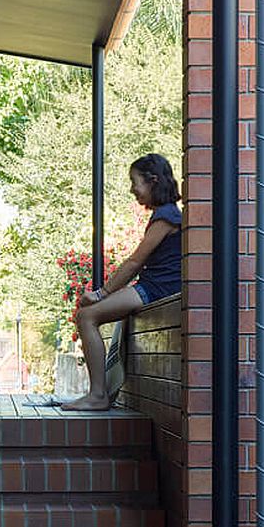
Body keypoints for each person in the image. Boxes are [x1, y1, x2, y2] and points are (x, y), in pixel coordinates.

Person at [62, 153, 182, 412]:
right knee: (86, 315)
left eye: (135, 182)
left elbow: (134, 262)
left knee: (86, 316)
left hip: (156, 288)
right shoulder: (165, 214)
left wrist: (101, 293)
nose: (132, 190)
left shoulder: (167, 216)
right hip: (152, 285)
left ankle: (97, 395)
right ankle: (97, 393)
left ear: (153, 181)